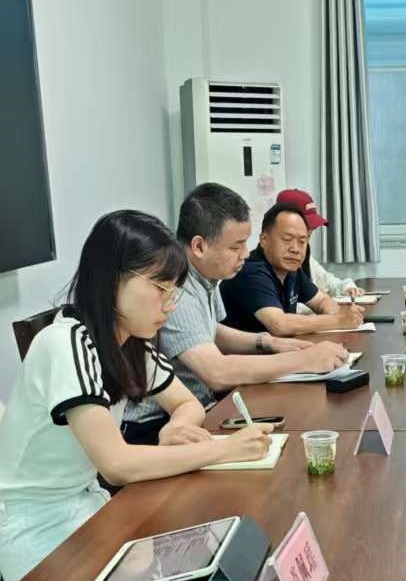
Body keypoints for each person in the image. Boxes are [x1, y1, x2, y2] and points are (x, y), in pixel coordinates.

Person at [0, 211, 272, 581]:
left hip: (85, 500)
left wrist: (176, 427)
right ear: (112, 279)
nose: (169, 304)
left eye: (174, 290)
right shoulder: (66, 343)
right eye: (160, 288)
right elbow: (116, 465)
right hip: (32, 522)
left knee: (189, 572)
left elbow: (187, 404)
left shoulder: (129, 341)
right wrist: (223, 450)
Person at [121, 184, 350, 442]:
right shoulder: (177, 287)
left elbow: (209, 330)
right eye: (235, 247)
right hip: (157, 424)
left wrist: (267, 342)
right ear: (199, 246)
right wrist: (304, 360)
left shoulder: (205, 277)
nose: (244, 254)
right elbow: (217, 373)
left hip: (197, 408)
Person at [220, 204, 365, 336]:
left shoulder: (291, 270)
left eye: (302, 241)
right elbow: (280, 325)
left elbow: (321, 301)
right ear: (264, 239)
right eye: (287, 239)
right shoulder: (250, 271)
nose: (295, 249)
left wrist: (338, 315)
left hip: (280, 350)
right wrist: (339, 321)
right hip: (246, 355)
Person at [273, 188, 364, 301]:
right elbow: (284, 307)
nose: (312, 228)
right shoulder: (266, 265)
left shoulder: (305, 254)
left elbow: (327, 281)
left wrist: (346, 287)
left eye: (307, 237)